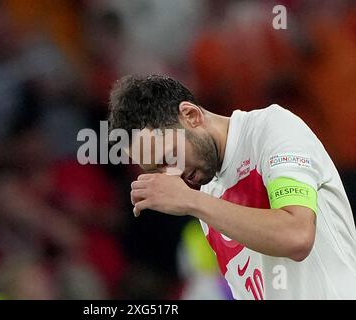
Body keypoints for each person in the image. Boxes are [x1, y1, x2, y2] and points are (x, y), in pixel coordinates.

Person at [107, 75, 356, 299]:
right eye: (156, 170)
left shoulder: (273, 129)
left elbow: (297, 236)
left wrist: (192, 202)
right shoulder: (208, 194)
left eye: (169, 158)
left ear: (191, 115)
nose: (171, 176)